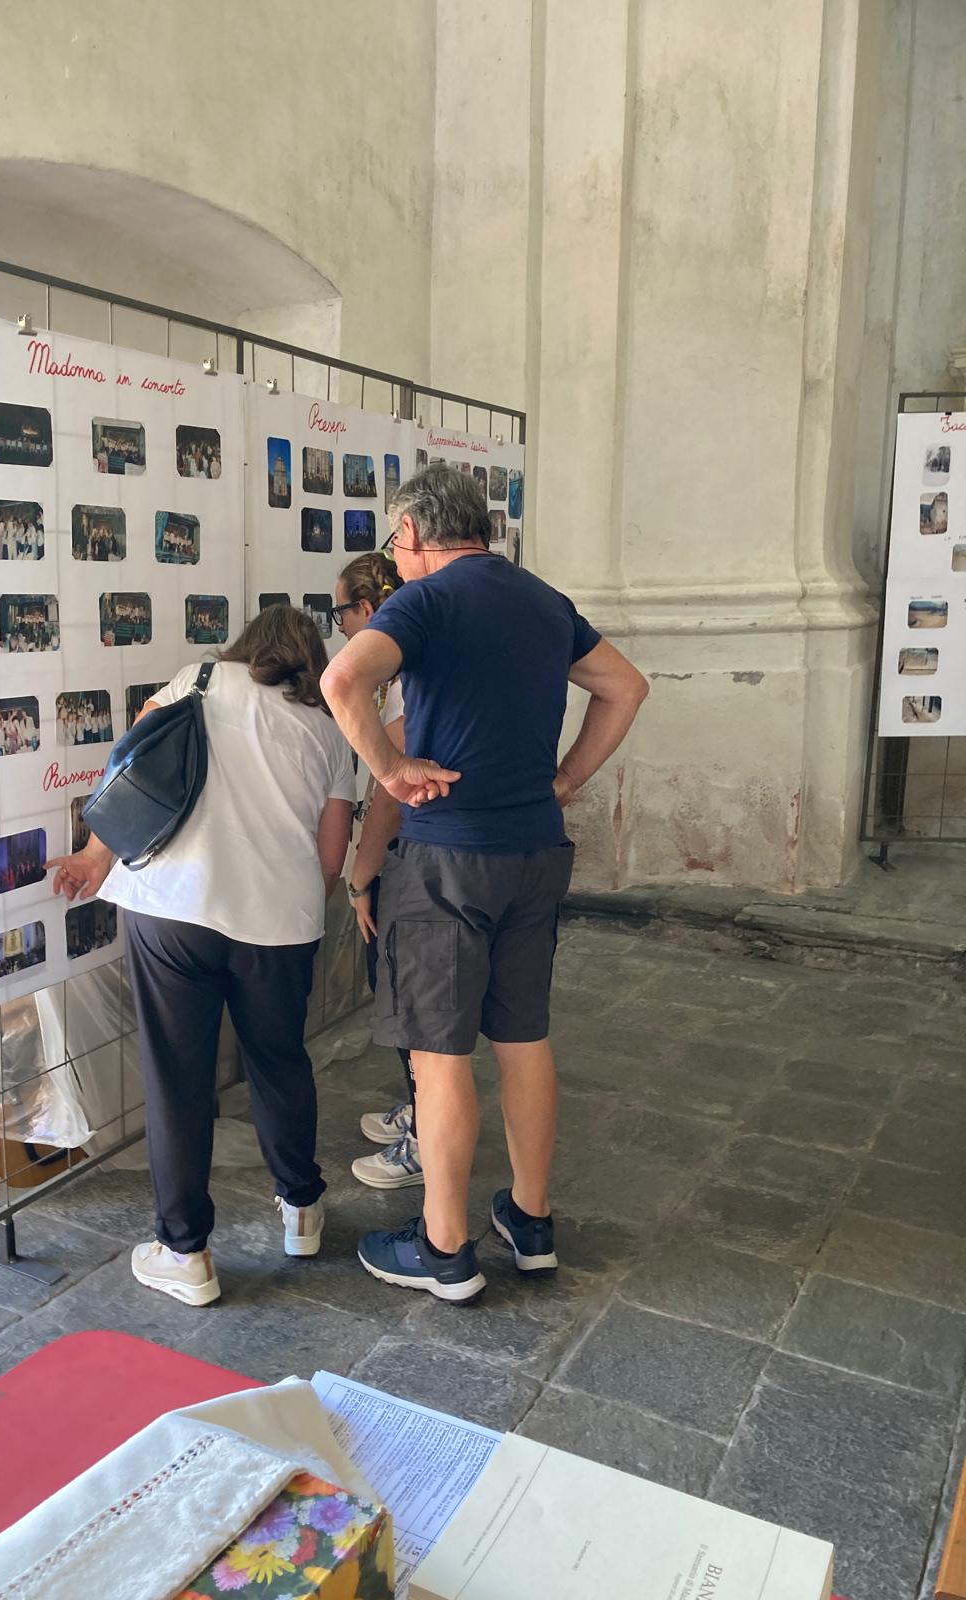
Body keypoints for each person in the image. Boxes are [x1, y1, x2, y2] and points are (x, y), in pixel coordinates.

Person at [322, 467, 648, 1302]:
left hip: (448, 858)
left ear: (415, 533)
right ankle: (531, 1222)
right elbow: (625, 687)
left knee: (439, 1057)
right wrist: (566, 779)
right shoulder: (542, 600)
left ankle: (444, 1250)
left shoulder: (424, 602)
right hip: (535, 851)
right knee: (523, 1037)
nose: (396, 558)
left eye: (396, 543)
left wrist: (389, 771)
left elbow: (341, 681)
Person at [48, 605, 356, 1308]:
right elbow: (331, 855)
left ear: (246, 646)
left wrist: (96, 855)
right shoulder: (328, 726)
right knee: (278, 1062)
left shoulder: (198, 680)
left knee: (178, 1078)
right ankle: (302, 1209)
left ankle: (185, 1251)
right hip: (279, 924)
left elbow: (131, 768)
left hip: (174, 905)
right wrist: (285, 898)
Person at [334, 553, 423, 1192]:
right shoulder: (403, 674)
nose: (339, 627)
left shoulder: (403, 680)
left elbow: (389, 797)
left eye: (341, 612)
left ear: (367, 610)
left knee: (407, 1002)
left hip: (404, 864)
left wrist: (361, 879)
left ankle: (426, 1138)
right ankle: (422, 1111)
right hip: (415, 860)